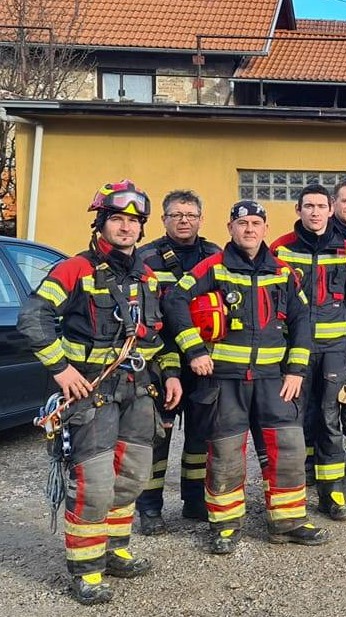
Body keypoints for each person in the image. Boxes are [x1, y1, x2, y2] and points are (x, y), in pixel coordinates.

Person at [17, 180, 181, 604]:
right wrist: (62, 369)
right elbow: (33, 319)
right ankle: (86, 571)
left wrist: (171, 374)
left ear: (141, 228)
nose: (126, 228)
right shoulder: (74, 268)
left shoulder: (146, 275)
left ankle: (114, 550)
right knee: (94, 484)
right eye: (118, 219)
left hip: (138, 393)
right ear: (101, 222)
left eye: (133, 221)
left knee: (131, 478)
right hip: (91, 394)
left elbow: (154, 337)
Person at [164, 200, 329, 554]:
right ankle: (224, 525)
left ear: (265, 228)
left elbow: (302, 322)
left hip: (274, 380)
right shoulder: (215, 267)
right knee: (226, 456)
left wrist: (297, 370)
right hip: (225, 381)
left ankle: (288, 522)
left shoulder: (282, 272)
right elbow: (175, 300)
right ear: (230, 229)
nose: (249, 229)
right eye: (243, 224)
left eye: (256, 223)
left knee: (288, 450)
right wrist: (194, 350)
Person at [270, 184, 346, 521]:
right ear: (298, 210)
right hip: (293, 351)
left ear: (331, 210)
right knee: (291, 420)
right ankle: (290, 496)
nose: (314, 212)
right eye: (308, 206)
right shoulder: (281, 249)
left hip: (333, 350)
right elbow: (268, 298)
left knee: (330, 419)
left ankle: (332, 494)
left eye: (320, 206)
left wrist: (340, 323)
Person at [134, 190, 222, 535]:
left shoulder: (215, 254)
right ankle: (151, 508)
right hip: (161, 359)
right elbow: (146, 316)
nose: (184, 220)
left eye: (190, 214)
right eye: (176, 214)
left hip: (205, 361)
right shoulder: (147, 258)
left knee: (201, 435)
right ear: (163, 220)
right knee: (158, 437)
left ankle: (194, 501)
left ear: (200, 218)